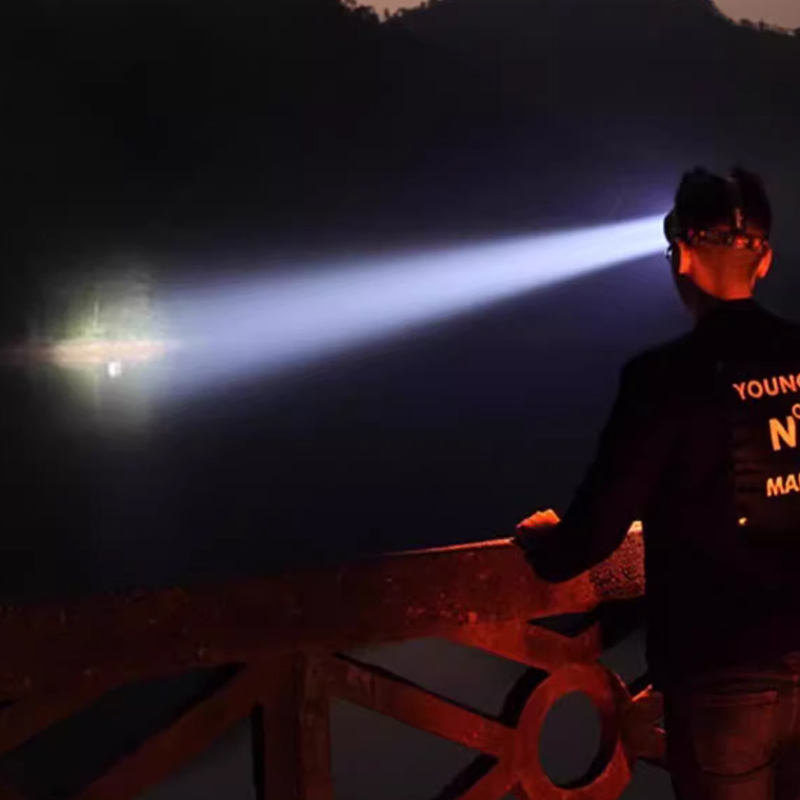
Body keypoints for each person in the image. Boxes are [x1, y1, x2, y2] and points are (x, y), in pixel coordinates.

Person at [516, 167, 800, 800]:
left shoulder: (663, 379)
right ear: (765, 261)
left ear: (683, 257)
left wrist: (547, 543)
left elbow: (594, 534)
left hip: (724, 674)